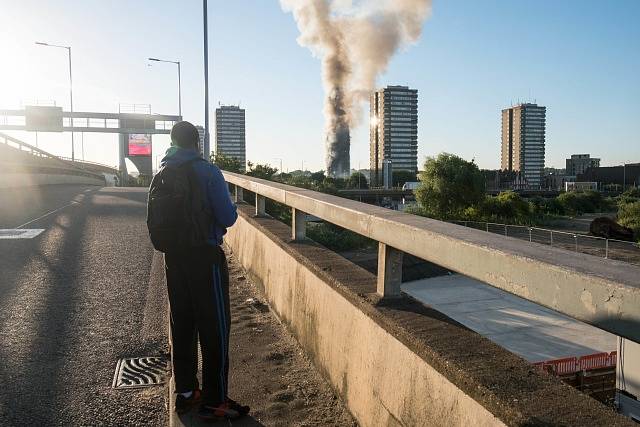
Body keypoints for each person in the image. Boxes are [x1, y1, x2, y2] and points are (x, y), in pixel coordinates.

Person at [148, 121, 248, 420]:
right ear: (197, 144)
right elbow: (228, 217)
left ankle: (187, 392)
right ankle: (216, 399)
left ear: (173, 143)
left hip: (173, 258)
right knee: (214, 327)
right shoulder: (207, 172)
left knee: (182, 323)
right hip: (204, 258)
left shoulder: (161, 174)